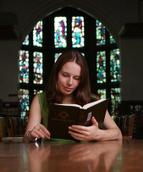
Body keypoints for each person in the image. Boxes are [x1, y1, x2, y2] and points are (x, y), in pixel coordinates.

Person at [24, 50, 122, 142]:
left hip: (87, 157)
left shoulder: (93, 100)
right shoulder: (40, 99)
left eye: (76, 78)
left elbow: (118, 134)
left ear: (82, 80)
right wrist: (31, 135)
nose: (70, 82)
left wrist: (97, 134)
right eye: (65, 75)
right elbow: (26, 138)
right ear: (56, 74)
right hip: (51, 157)